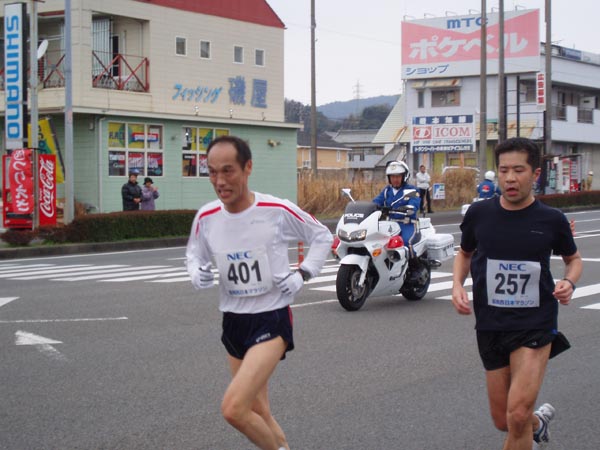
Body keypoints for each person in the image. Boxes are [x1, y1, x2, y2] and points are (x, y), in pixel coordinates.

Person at [185, 135, 332, 450]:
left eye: (228, 171)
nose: (220, 181)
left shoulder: (275, 210)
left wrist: (303, 273)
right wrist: (195, 271)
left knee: (234, 408)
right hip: (234, 320)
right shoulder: (207, 217)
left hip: (270, 319)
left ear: (247, 167)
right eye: (212, 172)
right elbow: (194, 253)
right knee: (257, 409)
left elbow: (321, 235)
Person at [451, 137, 583, 450]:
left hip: (535, 323)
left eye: (519, 170)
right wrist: (457, 283)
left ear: (534, 173)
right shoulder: (479, 214)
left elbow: (573, 260)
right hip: (491, 324)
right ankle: (538, 425)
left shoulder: (551, 220)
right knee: (504, 420)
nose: (510, 178)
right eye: (504, 170)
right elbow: (464, 253)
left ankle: (529, 424)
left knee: (518, 413)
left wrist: (570, 282)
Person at [373, 161, 421, 249]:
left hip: (407, 224)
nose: (395, 179)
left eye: (398, 176)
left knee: (406, 242)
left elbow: (414, 204)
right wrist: (369, 207)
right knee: (376, 242)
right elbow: (376, 201)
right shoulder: (387, 190)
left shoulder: (411, 190)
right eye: (392, 177)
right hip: (389, 224)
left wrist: (408, 208)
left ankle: (413, 262)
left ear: (404, 177)